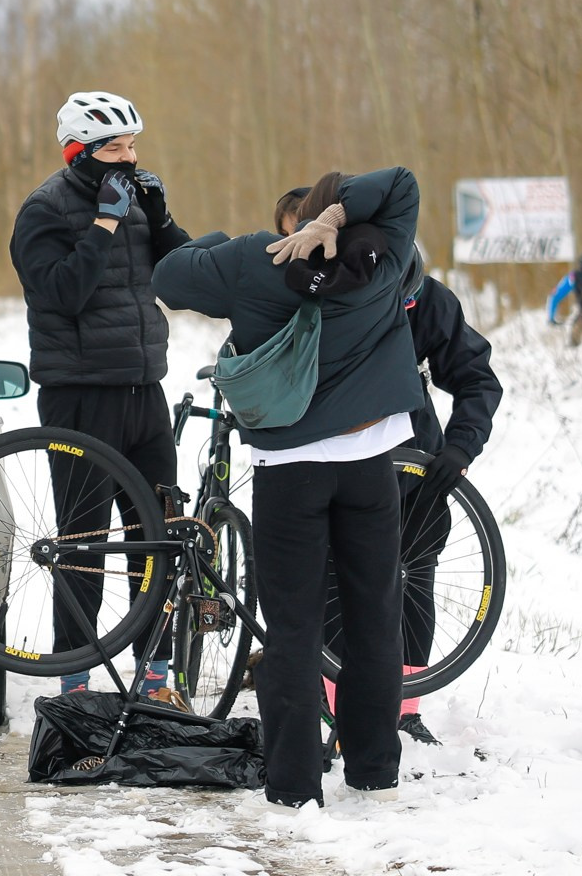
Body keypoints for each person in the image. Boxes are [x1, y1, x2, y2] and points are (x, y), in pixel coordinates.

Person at [153, 168, 424, 808]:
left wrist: (226, 240)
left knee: (295, 629)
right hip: (370, 464)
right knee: (374, 619)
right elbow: (402, 182)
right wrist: (341, 218)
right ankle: (374, 771)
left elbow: (169, 276)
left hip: (291, 472)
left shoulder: (256, 258)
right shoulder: (387, 253)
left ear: (302, 216)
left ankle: (295, 784)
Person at [277, 190, 506, 749]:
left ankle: (404, 710)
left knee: (412, 582)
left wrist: (459, 448)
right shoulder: (329, 290)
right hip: (336, 451)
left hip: (416, 462)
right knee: (336, 581)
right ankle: (339, 713)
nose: (398, 310)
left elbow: (477, 378)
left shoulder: (431, 301)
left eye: (404, 302)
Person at [7, 90, 193, 700]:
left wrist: (160, 219)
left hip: (145, 388)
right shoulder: (44, 210)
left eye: (134, 146)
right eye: (116, 148)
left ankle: (156, 674)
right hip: (81, 394)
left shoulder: (135, 201)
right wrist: (104, 225)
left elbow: (180, 275)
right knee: (83, 543)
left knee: (156, 533)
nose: (130, 159)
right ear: (79, 152)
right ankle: (76, 678)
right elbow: (62, 293)